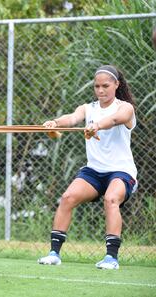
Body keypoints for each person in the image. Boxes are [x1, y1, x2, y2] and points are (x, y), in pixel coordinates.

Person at [38, 65, 137, 270]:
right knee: (67, 198)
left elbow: (117, 119)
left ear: (116, 85)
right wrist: (55, 123)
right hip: (94, 171)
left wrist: (97, 125)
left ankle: (111, 258)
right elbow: (72, 118)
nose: (100, 91)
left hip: (121, 171)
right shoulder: (88, 108)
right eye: (97, 86)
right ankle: (54, 253)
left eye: (105, 86)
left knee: (111, 199)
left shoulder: (125, 107)